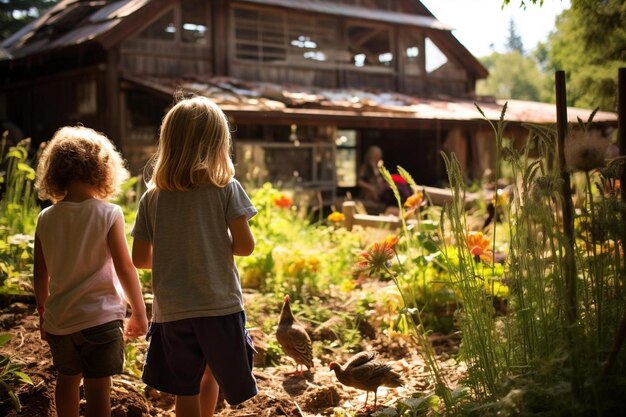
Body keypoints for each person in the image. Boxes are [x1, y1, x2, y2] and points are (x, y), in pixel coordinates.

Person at [131, 95, 258, 417]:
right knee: (211, 373)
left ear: (168, 142)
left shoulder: (152, 198)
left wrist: (177, 253)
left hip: (173, 310)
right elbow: (245, 247)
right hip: (219, 307)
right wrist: (212, 248)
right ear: (218, 143)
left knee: (182, 386)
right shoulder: (226, 189)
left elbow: (140, 258)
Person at [33, 126, 148, 417]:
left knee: (66, 380)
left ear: (55, 171)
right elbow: (125, 266)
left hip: (61, 320)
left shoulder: (46, 217)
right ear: (103, 169)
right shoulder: (108, 213)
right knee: (98, 388)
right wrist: (139, 310)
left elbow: (39, 272)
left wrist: (43, 312)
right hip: (101, 318)